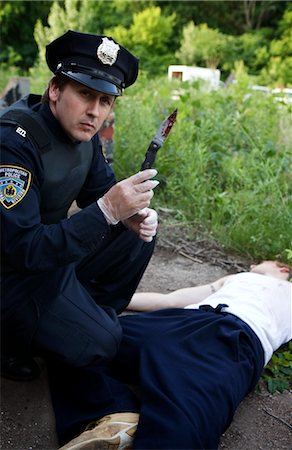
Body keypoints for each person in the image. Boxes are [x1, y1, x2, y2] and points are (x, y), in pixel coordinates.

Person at [0, 30, 159, 381]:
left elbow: (100, 189)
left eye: (105, 101)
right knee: (103, 344)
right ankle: (10, 341)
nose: (94, 111)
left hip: (46, 260)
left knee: (136, 234)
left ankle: (74, 320)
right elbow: (21, 248)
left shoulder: (83, 135)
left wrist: (133, 215)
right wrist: (107, 210)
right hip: (12, 275)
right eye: (85, 93)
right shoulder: (14, 145)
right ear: (55, 89)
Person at [47, 260, 291, 449]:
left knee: (185, 420)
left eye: (257, 264)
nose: (250, 266)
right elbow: (168, 300)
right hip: (179, 321)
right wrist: (96, 305)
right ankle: (112, 418)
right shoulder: (237, 279)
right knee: (75, 339)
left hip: (233, 339)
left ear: (282, 268)